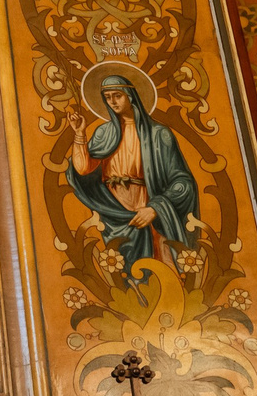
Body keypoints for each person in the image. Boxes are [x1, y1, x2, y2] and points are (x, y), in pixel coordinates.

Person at [67, 69, 201, 280]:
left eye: (117, 96)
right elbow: (83, 169)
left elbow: (183, 182)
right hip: (114, 212)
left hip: (145, 209)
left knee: (160, 267)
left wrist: (155, 208)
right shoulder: (104, 133)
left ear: (130, 96)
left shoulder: (159, 134)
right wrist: (79, 133)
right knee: (123, 273)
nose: (112, 102)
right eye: (107, 97)